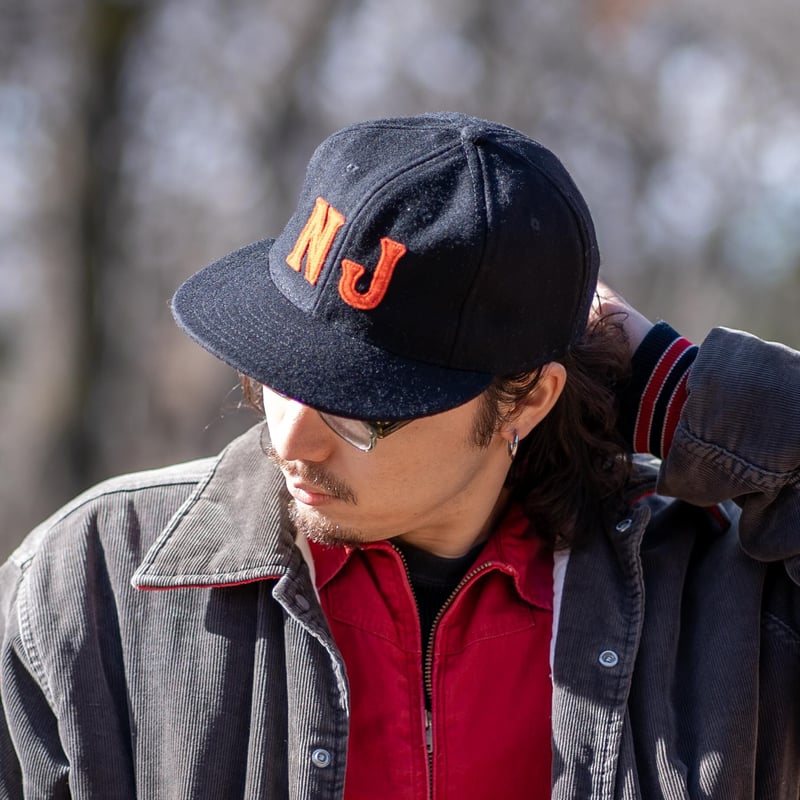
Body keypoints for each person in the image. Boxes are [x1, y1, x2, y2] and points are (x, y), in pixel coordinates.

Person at [1, 112, 798, 799]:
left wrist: (676, 389)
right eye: (277, 374)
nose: (289, 439)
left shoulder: (719, 609)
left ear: (526, 398)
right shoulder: (90, 583)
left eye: (360, 412)